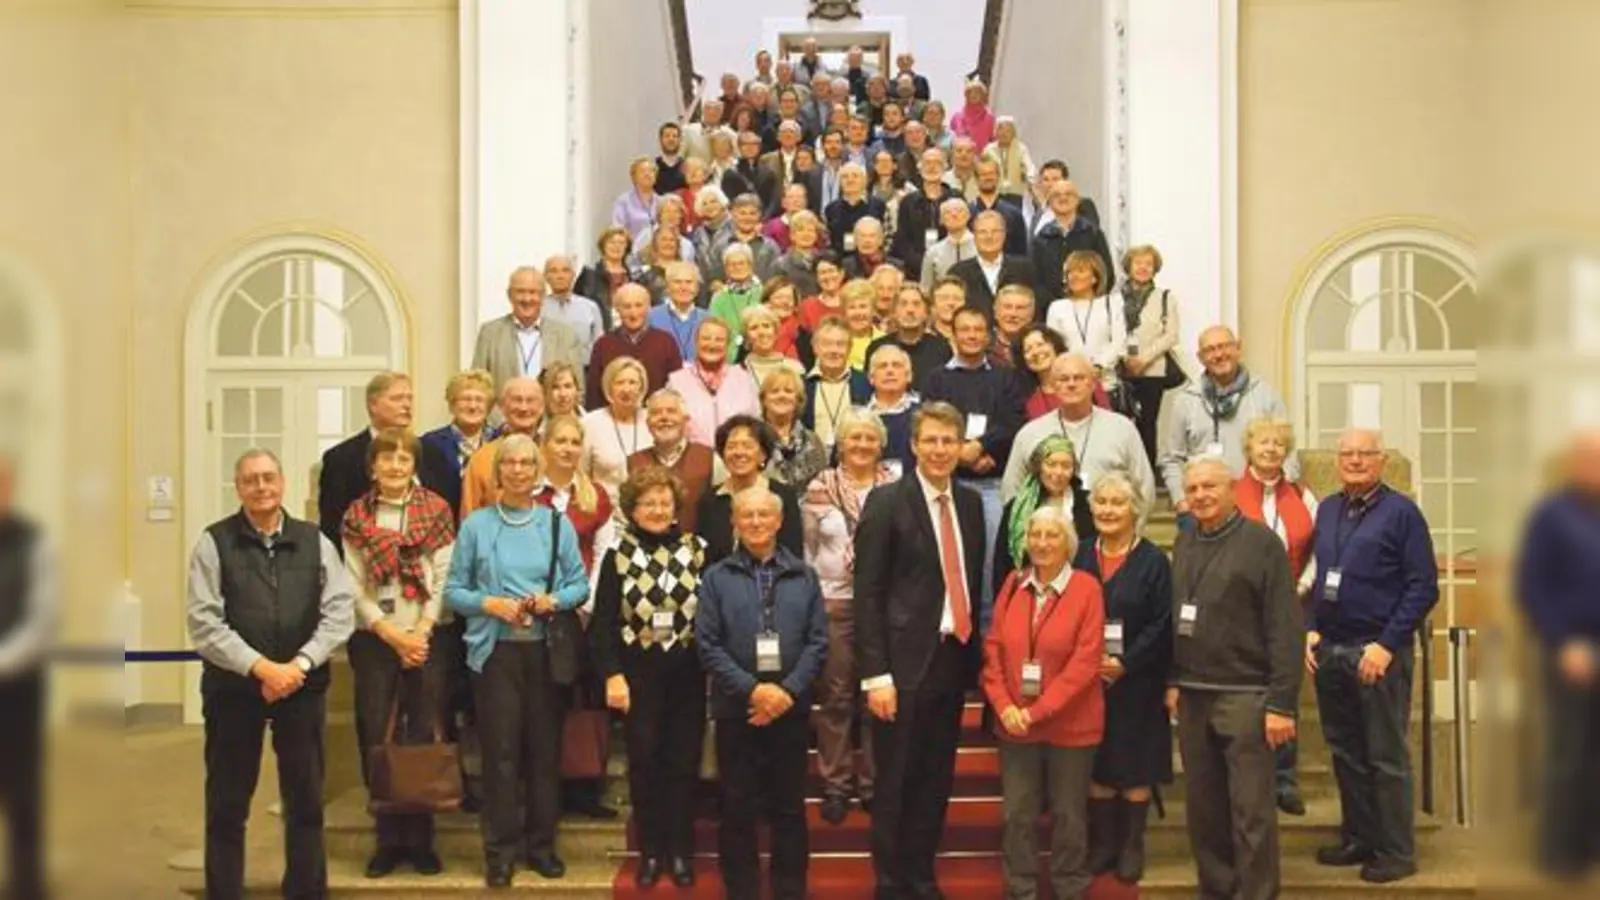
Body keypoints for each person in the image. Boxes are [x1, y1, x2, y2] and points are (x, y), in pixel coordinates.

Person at [187, 449, 356, 900]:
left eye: (268, 478)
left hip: (301, 687)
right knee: (227, 803)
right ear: (237, 487)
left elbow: (339, 613)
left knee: (305, 802)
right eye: (250, 480)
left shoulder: (316, 540)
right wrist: (261, 667)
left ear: (282, 483)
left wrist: (297, 666)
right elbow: (204, 622)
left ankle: (305, 891)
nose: (261, 487)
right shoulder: (213, 542)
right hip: (233, 690)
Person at [854, 402, 987, 899]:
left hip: (952, 660)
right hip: (901, 667)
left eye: (948, 441)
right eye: (929, 441)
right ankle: (889, 881)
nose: (939, 450)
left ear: (960, 447)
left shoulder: (971, 504)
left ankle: (920, 873)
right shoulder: (887, 502)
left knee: (935, 779)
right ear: (912, 445)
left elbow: (968, 582)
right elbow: (866, 593)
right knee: (895, 782)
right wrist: (876, 675)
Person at [445, 434, 590, 887]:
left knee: (544, 755)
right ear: (498, 471)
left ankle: (542, 847)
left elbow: (579, 586)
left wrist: (551, 599)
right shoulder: (476, 526)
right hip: (494, 653)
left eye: (528, 463)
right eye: (510, 463)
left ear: (538, 470)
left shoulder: (555, 525)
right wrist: (488, 604)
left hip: (544, 652)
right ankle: (499, 853)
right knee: (501, 755)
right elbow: (453, 591)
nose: (519, 470)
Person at [1305, 428, 1438, 884]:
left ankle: (1396, 851)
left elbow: (1423, 587)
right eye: (1347, 454)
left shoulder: (1403, 514)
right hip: (1332, 652)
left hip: (1379, 652)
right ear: (1337, 461)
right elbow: (1320, 577)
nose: (1356, 461)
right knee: (1346, 753)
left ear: (1381, 461)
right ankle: (1359, 837)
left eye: (1365, 454)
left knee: (1384, 756)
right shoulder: (1327, 509)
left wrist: (1386, 644)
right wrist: (1311, 630)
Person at [1167, 457, 1302, 900]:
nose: (1201, 495)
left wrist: (1282, 704)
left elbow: (1285, 627)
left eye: (1210, 486)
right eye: (1193, 489)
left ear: (1231, 490)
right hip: (1193, 695)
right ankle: (1217, 891)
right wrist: (1172, 679)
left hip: (1247, 696)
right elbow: (1175, 614)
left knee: (1251, 813)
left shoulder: (1263, 544)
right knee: (1205, 811)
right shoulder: (1185, 541)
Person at [696, 484, 830, 900]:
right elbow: (707, 645)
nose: (755, 522)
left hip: (790, 709)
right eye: (746, 515)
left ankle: (790, 890)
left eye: (763, 515)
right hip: (738, 710)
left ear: (779, 521)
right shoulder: (716, 578)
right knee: (737, 808)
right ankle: (743, 891)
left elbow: (818, 642)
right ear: (734, 522)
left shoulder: (804, 576)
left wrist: (785, 693)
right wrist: (755, 692)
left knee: (789, 809)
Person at [339, 429, 456, 879]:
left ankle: (422, 842)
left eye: (403, 459)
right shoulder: (356, 517)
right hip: (377, 641)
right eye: (386, 459)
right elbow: (352, 585)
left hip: (429, 637)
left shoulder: (436, 511)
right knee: (377, 735)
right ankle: (387, 841)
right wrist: (391, 634)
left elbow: (443, 576)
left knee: (422, 735)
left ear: (414, 466)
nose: (394, 466)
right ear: (372, 467)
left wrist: (422, 631)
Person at [591, 465, 710, 889]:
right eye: (649, 503)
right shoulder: (618, 555)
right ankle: (651, 852)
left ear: (676, 507)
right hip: (637, 677)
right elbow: (603, 623)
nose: (658, 510)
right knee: (644, 766)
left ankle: (680, 852)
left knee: (682, 764)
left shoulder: (698, 550)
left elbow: (711, 617)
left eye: (665, 502)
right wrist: (612, 675)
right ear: (632, 509)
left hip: (687, 677)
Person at [982, 506, 1104, 900]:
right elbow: (994, 651)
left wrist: (1037, 711)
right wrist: (1004, 707)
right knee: (1017, 815)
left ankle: (1069, 886)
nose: (1042, 543)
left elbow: (1085, 663)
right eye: (1035, 535)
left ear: (1068, 543)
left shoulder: (1087, 588)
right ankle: (1021, 889)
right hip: (1015, 725)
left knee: (1070, 815)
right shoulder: (1013, 584)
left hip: (1071, 726)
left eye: (1052, 535)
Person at [802, 409, 898, 825]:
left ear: (881, 444)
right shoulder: (819, 487)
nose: (861, 445)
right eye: (853, 438)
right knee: (837, 696)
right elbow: (807, 549)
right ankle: (837, 784)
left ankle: (877, 782)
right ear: (840, 444)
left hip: (883, 605)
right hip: (835, 600)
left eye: (869, 438)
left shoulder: (896, 486)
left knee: (878, 694)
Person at [1075, 472, 1172, 884]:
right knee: (1098, 764)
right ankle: (1103, 845)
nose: (1108, 510)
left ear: (1134, 509)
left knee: (1135, 765)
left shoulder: (1154, 561)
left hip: (1139, 681)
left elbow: (1162, 623)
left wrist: (1125, 662)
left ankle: (1131, 845)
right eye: (1102, 502)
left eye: (1117, 503)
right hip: (1086, 682)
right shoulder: (1078, 554)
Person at [1515, 429, 1600, 881]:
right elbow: (1532, 588)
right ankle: (1558, 855)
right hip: (1571, 651)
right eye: (1589, 458)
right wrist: (1563, 643)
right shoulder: (1551, 516)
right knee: (1568, 755)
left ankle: (1591, 846)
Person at [537, 415, 619, 821]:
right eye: (560, 441)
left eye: (574, 442)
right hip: (536, 612)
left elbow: (605, 552)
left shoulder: (595, 496)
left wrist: (586, 604)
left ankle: (586, 788)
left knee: (587, 701)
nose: (568, 449)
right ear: (545, 445)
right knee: (546, 704)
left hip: (583, 613)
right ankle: (546, 788)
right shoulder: (528, 494)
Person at [1237, 416, 1320, 815]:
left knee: (1284, 688)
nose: (1270, 449)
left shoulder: (1304, 497)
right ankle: (1249, 775)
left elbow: (1322, 551)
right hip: (1242, 611)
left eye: (1278, 444)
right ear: (1249, 448)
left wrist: (1298, 589)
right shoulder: (1231, 493)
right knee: (1247, 693)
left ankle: (1285, 779)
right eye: (1263, 443)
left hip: (1292, 606)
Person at [922, 307, 1027, 623]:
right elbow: (932, 423)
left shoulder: (1004, 376)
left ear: (988, 335)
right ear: (952, 334)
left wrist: (981, 446)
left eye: (978, 330)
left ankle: (987, 630)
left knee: (990, 562)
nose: (971, 335)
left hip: (993, 484)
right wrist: (959, 453)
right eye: (964, 329)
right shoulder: (936, 378)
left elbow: (1013, 420)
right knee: (949, 560)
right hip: (948, 484)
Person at [1160, 325, 1293, 530]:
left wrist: (1281, 497)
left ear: (1238, 348)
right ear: (1200, 357)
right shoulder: (1185, 401)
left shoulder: (1266, 396)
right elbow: (1171, 458)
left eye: (1224, 346)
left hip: (1255, 507)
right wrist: (1181, 501)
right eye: (1210, 350)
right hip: (1200, 509)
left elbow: (1288, 452)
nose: (1219, 355)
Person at [1003, 354, 1156, 527]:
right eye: (1063, 379)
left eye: (1079, 378)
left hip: (1109, 540)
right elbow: (1012, 492)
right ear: (1053, 386)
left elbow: (1145, 489)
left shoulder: (1122, 429)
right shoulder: (1030, 433)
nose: (1071, 384)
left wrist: (1129, 539)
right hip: (1048, 541)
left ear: (1092, 384)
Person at [319, 372, 457, 552]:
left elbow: (447, 517)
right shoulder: (341, 458)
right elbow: (332, 527)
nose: (406, 405)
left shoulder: (432, 453)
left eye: (409, 399)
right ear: (373, 405)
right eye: (397, 398)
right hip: (362, 563)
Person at [0, 453, 50, 900]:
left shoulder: (35, 543)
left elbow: (41, 622)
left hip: (17, 692)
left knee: (22, 797)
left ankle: (27, 888)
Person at [696, 414, 804, 565]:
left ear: (763, 455)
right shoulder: (710, 501)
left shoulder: (783, 496)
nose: (739, 453)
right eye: (731, 446)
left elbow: (793, 556)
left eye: (747, 446)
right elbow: (705, 560)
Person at [1116, 244, 1185, 471]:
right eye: (1138, 263)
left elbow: (1171, 335)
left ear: (1155, 268)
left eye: (1148, 264)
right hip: (1121, 369)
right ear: (1129, 266)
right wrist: (1126, 358)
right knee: (1122, 421)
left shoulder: (1165, 297)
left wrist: (1144, 359)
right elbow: (1112, 330)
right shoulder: (1115, 299)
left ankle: (1148, 470)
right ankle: (1123, 467)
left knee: (1148, 422)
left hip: (1153, 369)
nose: (1143, 268)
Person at [995, 435, 1096, 587]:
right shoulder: (1016, 507)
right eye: (1051, 464)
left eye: (1066, 466)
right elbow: (1002, 563)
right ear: (1039, 466)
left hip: (1077, 589)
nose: (1058, 472)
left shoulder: (1087, 504)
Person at [471, 266, 587, 396]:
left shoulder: (567, 336)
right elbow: (478, 387)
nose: (527, 299)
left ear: (543, 296)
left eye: (533, 292)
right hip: (503, 416)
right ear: (509, 295)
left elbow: (578, 391)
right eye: (520, 292)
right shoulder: (489, 333)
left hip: (550, 416)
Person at [666, 317, 761, 449]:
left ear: (727, 345)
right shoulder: (676, 382)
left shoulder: (744, 379)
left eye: (719, 339)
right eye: (706, 338)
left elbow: (756, 423)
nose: (712, 344)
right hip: (691, 460)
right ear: (696, 343)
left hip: (736, 459)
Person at [586, 282, 683, 410]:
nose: (633, 313)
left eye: (639, 305)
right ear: (617, 309)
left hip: (655, 418)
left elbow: (677, 389)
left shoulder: (666, 342)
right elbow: (594, 393)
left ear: (649, 308)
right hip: (613, 420)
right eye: (627, 307)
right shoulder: (603, 344)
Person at [1045, 251, 1127, 399]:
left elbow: (1119, 341)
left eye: (1080, 271)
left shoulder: (1111, 304)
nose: (1073, 276)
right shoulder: (1057, 307)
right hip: (1069, 386)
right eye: (1069, 272)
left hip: (1105, 385)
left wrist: (1099, 367)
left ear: (1095, 277)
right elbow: (1053, 347)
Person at [460, 377, 544, 518]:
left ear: (542, 407)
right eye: (517, 400)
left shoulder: (554, 454)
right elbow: (469, 518)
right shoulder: (482, 459)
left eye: (530, 400)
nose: (524, 407)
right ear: (502, 407)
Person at [420, 369, 500, 516]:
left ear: (488, 406)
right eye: (465, 399)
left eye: (479, 400)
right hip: (446, 527)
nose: (472, 406)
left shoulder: (501, 442)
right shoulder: (429, 444)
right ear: (452, 405)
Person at [579, 356, 649, 507]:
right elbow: (581, 474)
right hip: (603, 512)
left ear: (641, 388)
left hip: (647, 511)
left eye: (632, 382)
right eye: (619, 383)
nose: (626, 389)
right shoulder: (590, 423)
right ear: (609, 387)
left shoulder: (652, 420)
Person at [1028, 181, 1114, 302]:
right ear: (1050, 202)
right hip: (1051, 310)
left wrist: (1090, 300)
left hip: (1089, 306)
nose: (1063, 198)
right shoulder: (1040, 239)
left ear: (1077, 200)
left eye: (1069, 194)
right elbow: (1035, 279)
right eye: (1057, 195)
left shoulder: (1093, 233)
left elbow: (1107, 274)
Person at [866, 283, 953, 396]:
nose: (910, 310)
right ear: (894, 312)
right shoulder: (877, 347)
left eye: (916, 304)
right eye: (903, 304)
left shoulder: (941, 348)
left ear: (926, 312)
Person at [948, 210, 1036, 320]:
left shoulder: (1024, 268)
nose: (989, 237)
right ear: (974, 236)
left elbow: (1035, 310)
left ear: (1004, 234)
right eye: (982, 232)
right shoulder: (958, 272)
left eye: (995, 231)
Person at [802, 317, 873, 449]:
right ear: (815, 348)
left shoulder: (866, 383)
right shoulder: (802, 387)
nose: (834, 350)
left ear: (849, 348)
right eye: (827, 344)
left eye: (840, 344)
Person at [759, 366, 829, 490]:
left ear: (798, 400)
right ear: (764, 399)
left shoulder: (812, 440)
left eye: (788, 391)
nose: (782, 396)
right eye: (775, 391)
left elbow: (822, 483)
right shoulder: (753, 437)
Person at [863, 344, 920, 477]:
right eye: (883, 366)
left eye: (896, 365)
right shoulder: (857, 417)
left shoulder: (924, 416)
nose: (890, 371)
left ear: (909, 376)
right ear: (871, 378)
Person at [540, 255, 606, 365]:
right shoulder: (538, 308)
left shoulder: (590, 307)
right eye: (553, 271)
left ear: (573, 275)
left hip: (584, 371)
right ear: (546, 276)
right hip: (548, 372)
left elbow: (599, 345)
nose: (560, 276)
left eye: (565, 270)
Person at [575, 226, 634, 332]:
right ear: (603, 245)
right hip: (598, 331)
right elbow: (577, 305)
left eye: (621, 243)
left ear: (627, 247)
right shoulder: (589, 274)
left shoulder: (635, 276)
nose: (616, 246)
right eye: (611, 242)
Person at [1013, 324, 1069, 420]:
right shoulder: (1026, 399)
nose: (1035, 352)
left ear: (1055, 346)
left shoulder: (1083, 380)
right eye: (1028, 349)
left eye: (1040, 344)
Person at [612, 157, 661, 237]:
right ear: (634, 177)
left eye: (651, 171)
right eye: (642, 171)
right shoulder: (623, 202)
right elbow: (618, 231)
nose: (647, 174)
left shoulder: (661, 202)